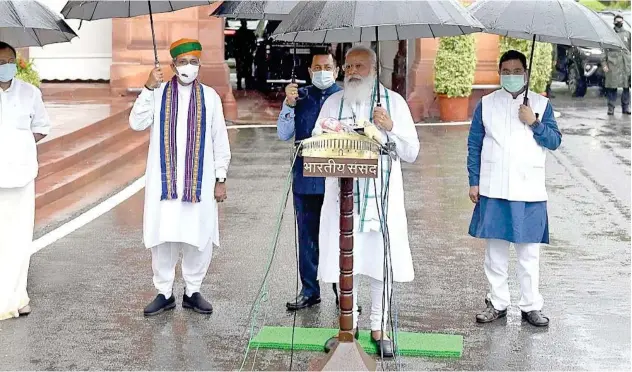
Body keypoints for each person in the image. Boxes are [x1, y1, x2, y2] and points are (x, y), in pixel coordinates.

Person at [315, 45, 420, 357]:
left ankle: (380, 327)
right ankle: (349, 327)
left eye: (359, 66)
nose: (353, 72)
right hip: (343, 200)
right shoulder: (334, 102)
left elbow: (412, 152)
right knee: (348, 262)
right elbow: (316, 140)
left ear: (374, 69)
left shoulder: (394, 103)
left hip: (381, 202)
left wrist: (390, 127)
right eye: (348, 67)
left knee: (379, 264)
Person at [129, 38, 231, 316]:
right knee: (164, 237)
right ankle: (164, 293)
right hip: (165, 184)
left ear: (200, 64)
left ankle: (192, 291)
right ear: (173, 65)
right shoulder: (158, 93)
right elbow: (136, 123)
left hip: (200, 183)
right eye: (183, 61)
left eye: (193, 61)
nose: (189, 66)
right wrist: (148, 86)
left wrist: (220, 177)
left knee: (198, 235)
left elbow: (219, 139)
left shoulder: (209, 97)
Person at [467, 50, 562, 328]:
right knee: (495, 252)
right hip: (494, 186)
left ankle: (531, 305)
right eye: (505, 71)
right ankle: (497, 302)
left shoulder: (541, 105)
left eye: (516, 70)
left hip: (528, 189)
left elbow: (555, 141)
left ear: (526, 73)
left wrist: (534, 122)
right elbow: (474, 144)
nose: (510, 76)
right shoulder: (486, 104)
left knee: (528, 253)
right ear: (499, 73)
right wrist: (474, 181)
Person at [277, 50, 342, 311]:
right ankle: (309, 290)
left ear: (336, 71)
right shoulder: (299, 96)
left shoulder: (343, 97)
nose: (322, 71)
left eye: (327, 66)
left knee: (339, 236)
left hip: (337, 178)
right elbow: (283, 134)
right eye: (317, 67)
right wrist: (288, 105)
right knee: (307, 235)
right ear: (309, 71)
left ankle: (343, 291)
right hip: (305, 177)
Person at [0, 41, 51, 320]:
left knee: (19, 240)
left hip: (21, 177)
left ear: (16, 62)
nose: (4, 67)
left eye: (8, 61)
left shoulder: (30, 93)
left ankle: (18, 296)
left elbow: (41, 128)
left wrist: (17, 146)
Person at [601, 14, 631, 116]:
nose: (619, 22)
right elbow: (603, 51)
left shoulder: (627, 34)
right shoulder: (609, 35)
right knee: (612, 88)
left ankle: (626, 107)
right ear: (614, 22)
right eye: (617, 20)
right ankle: (611, 108)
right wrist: (604, 64)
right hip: (612, 65)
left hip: (625, 65)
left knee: (626, 88)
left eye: (620, 20)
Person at [234, 20, 256, 90]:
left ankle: (241, 84)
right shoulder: (249, 33)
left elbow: (234, 44)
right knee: (246, 70)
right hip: (245, 54)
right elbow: (253, 44)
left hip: (242, 54)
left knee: (241, 69)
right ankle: (246, 84)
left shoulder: (239, 33)